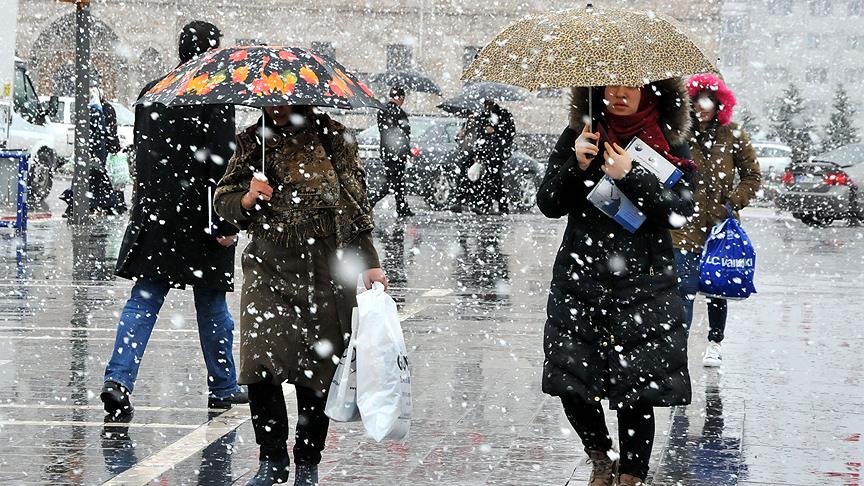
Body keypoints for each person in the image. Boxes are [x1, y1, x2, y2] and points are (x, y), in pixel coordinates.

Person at [214, 105, 386, 486]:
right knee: (260, 365)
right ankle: (271, 460)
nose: (276, 109)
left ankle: (307, 461)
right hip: (267, 268)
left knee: (318, 371)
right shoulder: (251, 142)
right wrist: (247, 198)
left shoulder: (334, 137)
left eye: (284, 102)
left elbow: (355, 202)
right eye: (269, 102)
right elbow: (223, 199)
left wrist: (369, 260)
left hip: (324, 267)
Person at [537, 79, 697, 486]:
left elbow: (681, 212)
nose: (619, 95)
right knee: (572, 381)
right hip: (581, 280)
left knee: (637, 388)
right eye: (611, 87)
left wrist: (631, 177)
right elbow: (549, 203)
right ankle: (601, 458)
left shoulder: (668, 141)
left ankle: (631, 474)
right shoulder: (582, 134)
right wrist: (577, 166)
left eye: (630, 87)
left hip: (644, 284)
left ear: (650, 91)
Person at [100, 20, 247, 418]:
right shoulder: (214, 98)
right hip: (200, 218)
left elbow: (145, 159)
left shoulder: (152, 93)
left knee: (143, 302)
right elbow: (221, 165)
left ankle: (118, 379)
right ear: (212, 51)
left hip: (156, 217)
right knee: (213, 305)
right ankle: (223, 385)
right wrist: (225, 224)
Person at [672, 73, 761, 368]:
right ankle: (679, 346)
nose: (702, 107)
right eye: (697, 100)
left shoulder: (732, 134)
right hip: (683, 226)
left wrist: (732, 203)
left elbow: (752, 175)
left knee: (717, 288)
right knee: (683, 288)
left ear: (720, 102)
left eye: (708, 100)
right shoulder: (680, 133)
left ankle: (714, 342)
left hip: (718, 228)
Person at [370, 86, 414, 217]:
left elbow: (384, 132)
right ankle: (369, 201)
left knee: (398, 181)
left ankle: (402, 207)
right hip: (398, 153)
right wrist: (407, 150)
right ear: (400, 98)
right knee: (392, 181)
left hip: (387, 151)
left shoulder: (382, 111)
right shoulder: (400, 113)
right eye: (403, 99)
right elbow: (405, 134)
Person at [473, 99, 515, 214]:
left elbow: (510, 133)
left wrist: (495, 130)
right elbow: (480, 136)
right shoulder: (483, 116)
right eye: (486, 104)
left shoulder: (504, 115)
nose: (487, 106)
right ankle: (496, 204)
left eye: (489, 103)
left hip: (498, 153)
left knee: (493, 177)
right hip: (487, 152)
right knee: (491, 179)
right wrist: (479, 153)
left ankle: (490, 204)